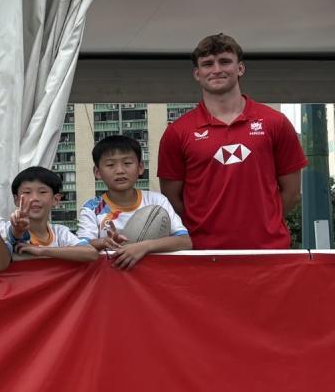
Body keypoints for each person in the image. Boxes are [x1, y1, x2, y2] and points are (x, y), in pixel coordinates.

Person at [157, 33, 306, 250]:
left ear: (240, 68)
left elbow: (291, 194)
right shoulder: (177, 132)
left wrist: (264, 224)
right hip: (203, 253)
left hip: (268, 251)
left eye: (225, 61)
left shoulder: (275, 122)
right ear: (197, 73)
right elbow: (173, 199)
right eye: (208, 64)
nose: (216, 69)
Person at [78, 134, 191, 269]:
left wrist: (144, 247)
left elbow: (185, 241)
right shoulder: (92, 208)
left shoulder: (157, 200)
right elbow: (80, 247)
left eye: (127, 163)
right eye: (110, 165)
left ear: (140, 167)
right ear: (97, 172)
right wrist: (105, 242)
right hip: (109, 277)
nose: (120, 171)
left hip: (151, 276)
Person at [7, 167, 97, 262]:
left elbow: (91, 253)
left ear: (56, 199)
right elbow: (14, 236)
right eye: (27, 192)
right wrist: (17, 230)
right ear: (16, 199)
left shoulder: (60, 233)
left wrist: (42, 251)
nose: (34, 198)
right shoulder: (9, 227)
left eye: (42, 192)